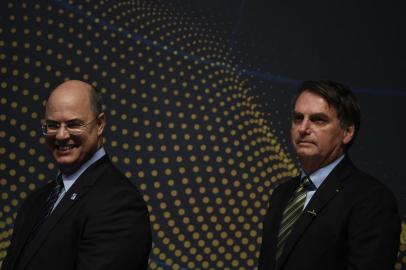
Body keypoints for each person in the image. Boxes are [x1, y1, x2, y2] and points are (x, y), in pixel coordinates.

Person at [3, 80, 152, 270]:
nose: (61, 135)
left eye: (73, 124)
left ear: (99, 124)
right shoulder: (35, 201)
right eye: (53, 125)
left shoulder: (120, 203)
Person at [258, 80, 400, 270]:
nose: (303, 129)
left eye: (318, 120)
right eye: (298, 118)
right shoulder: (281, 194)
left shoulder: (371, 199)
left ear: (347, 132)